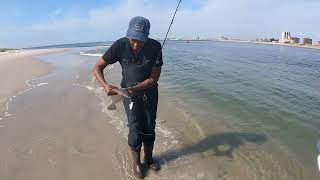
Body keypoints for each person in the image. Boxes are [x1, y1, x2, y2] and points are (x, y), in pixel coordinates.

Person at [93, 16, 163, 179]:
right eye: (133, 40)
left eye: (141, 40)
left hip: (150, 93)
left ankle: (149, 158)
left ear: (147, 36)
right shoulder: (120, 45)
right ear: (128, 35)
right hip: (128, 96)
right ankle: (136, 162)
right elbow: (98, 66)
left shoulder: (155, 46)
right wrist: (105, 86)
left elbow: (154, 78)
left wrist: (134, 88)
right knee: (135, 128)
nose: (136, 44)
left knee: (149, 127)